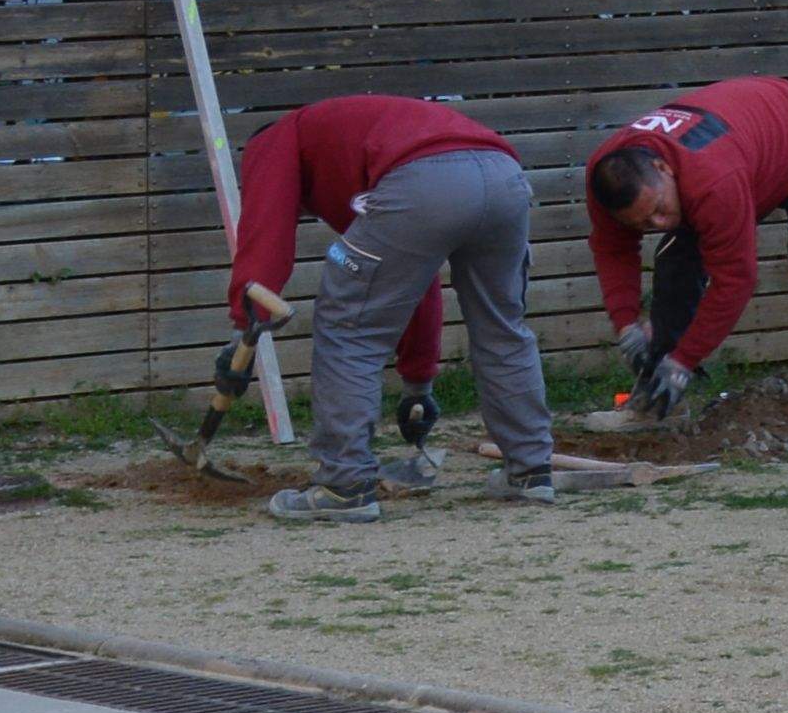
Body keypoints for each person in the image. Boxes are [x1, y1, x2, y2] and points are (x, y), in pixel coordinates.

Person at [222, 92, 557, 522]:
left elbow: (264, 238)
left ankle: (343, 486)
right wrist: (418, 386)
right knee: (502, 328)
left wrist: (241, 329)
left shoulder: (273, 142)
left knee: (347, 328)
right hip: (503, 175)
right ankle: (531, 472)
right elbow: (413, 282)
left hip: (421, 181)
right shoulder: (353, 139)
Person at [581, 76, 788, 458]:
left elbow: (735, 281)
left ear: (662, 167)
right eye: (642, 223)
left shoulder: (711, 180)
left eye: (658, 210)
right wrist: (626, 325)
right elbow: (612, 249)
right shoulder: (605, 174)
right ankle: (657, 402)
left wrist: (684, 360)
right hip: (754, 152)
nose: (657, 224)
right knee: (674, 257)